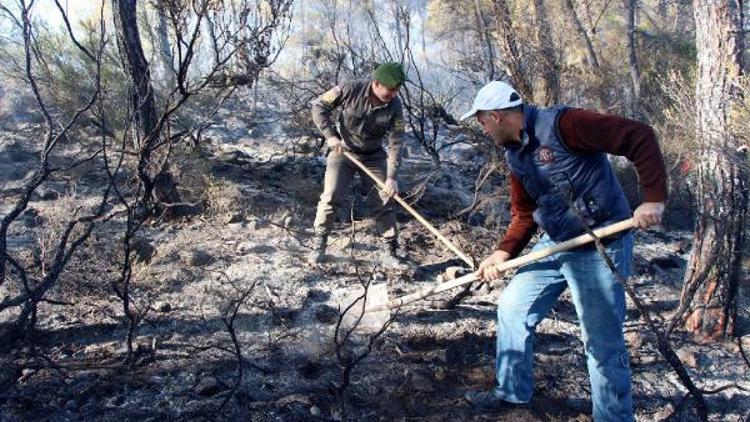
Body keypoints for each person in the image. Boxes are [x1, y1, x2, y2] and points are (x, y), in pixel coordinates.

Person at [461, 81, 667, 421]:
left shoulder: (565, 124)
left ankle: (613, 417)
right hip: (556, 242)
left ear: (495, 116)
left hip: (601, 244)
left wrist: (654, 198)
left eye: (481, 121)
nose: (482, 129)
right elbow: (525, 213)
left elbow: (639, 136)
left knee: (601, 344)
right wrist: (503, 253)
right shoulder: (514, 154)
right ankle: (512, 394)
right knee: (512, 307)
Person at [307, 63, 407, 265]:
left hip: (374, 156)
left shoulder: (395, 106)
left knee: (385, 199)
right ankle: (319, 244)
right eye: (391, 89)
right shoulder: (349, 89)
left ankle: (391, 249)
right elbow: (319, 106)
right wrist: (331, 136)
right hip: (343, 152)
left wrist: (391, 177)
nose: (394, 94)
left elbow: (396, 141)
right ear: (376, 83)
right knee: (331, 195)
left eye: (397, 90)